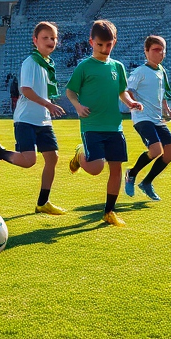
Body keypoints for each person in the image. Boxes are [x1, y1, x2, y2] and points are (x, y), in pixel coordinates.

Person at [0, 22, 68, 215]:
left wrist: (48, 106)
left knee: (52, 158)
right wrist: (48, 104)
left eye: (53, 38)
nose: (50, 41)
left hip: (43, 120)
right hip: (26, 119)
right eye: (45, 38)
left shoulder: (48, 65)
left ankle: (43, 202)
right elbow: (26, 90)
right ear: (35, 40)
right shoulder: (30, 62)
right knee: (29, 160)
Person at [65, 19, 143, 227]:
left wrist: (130, 102)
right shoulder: (84, 66)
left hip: (114, 126)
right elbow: (70, 91)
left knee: (116, 169)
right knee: (96, 167)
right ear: (91, 42)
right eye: (100, 45)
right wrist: (78, 106)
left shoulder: (117, 67)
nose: (104, 49)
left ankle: (109, 211)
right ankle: (80, 154)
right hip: (91, 125)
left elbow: (121, 91)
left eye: (108, 45)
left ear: (114, 42)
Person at [124, 35, 171, 201]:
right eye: (155, 50)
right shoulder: (140, 71)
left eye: (162, 50)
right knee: (155, 150)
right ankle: (131, 174)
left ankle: (146, 182)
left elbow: (162, 94)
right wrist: (132, 103)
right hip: (142, 117)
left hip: (157, 118)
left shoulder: (162, 71)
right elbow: (127, 90)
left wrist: (166, 108)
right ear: (146, 51)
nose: (160, 53)